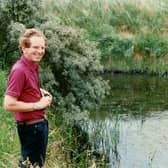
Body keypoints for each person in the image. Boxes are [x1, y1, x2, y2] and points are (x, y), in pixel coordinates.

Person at [3, 28, 52, 167]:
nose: (40, 51)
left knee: (36, 165)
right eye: (35, 47)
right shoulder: (20, 70)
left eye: (42, 47)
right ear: (24, 48)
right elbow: (8, 104)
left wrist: (38, 91)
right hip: (32, 129)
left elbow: (24, 88)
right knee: (29, 165)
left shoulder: (32, 66)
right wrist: (38, 104)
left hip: (38, 126)